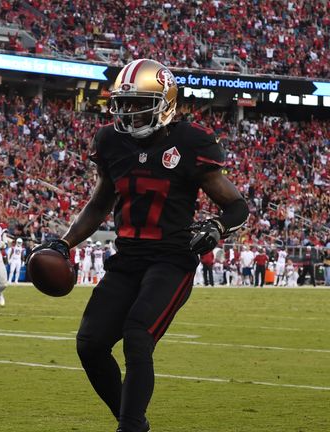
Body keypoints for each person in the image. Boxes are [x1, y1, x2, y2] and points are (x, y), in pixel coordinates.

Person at [31, 60, 248, 432]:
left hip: (171, 260)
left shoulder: (192, 142)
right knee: (89, 343)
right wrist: (65, 242)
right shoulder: (111, 141)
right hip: (128, 259)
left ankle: (129, 428)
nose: (129, 112)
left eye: (138, 103)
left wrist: (216, 227)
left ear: (165, 102)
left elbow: (237, 206)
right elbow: (100, 203)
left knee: (137, 336)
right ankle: (134, 424)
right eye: (124, 103)